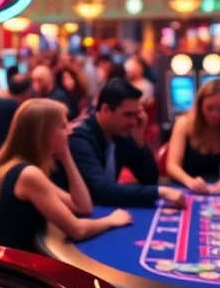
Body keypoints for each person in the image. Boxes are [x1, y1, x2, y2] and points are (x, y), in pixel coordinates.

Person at [0, 99, 132, 251]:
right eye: (63, 126)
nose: (70, 131)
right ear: (44, 134)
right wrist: (111, 220)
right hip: (22, 267)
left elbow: (83, 207)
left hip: (10, 260)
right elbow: (77, 230)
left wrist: (66, 155)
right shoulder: (28, 175)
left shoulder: (3, 163)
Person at [54, 79, 185, 208]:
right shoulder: (79, 138)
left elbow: (150, 178)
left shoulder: (120, 132)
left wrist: (139, 139)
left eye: (136, 115)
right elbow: (101, 191)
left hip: (99, 208)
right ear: (105, 110)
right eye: (128, 115)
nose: (134, 122)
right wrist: (160, 192)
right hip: (69, 218)